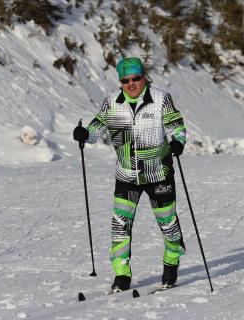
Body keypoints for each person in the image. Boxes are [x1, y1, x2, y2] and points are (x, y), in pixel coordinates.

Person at [73, 57, 187, 292]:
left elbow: (175, 124)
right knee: (119, 224)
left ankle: (171, 262)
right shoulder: (112, 103)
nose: (131, 84)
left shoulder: (160, 99)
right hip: (127, 175)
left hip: (159, 173)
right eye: (125, 80)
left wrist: (178, 141)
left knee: (168, 224)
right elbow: (97, 127)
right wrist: (83, 133)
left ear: (144, 77)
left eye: (136, 78)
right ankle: (122, 273)